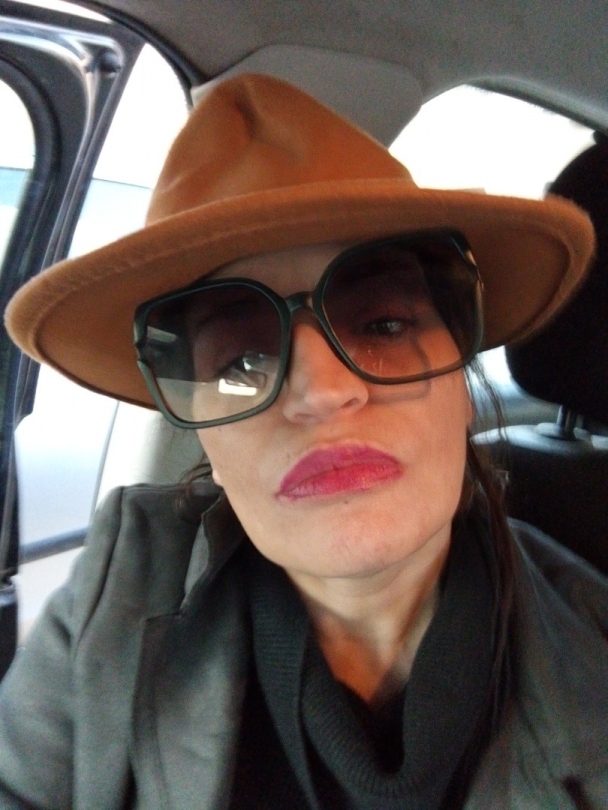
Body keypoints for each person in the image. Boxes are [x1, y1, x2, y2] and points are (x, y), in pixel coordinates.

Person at [0, 73, 606, 810]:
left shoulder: (595, 655)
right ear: (211, 446)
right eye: (240, 362)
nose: (320, 393)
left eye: (384, 325)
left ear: (462, 383)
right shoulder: (116, 593)